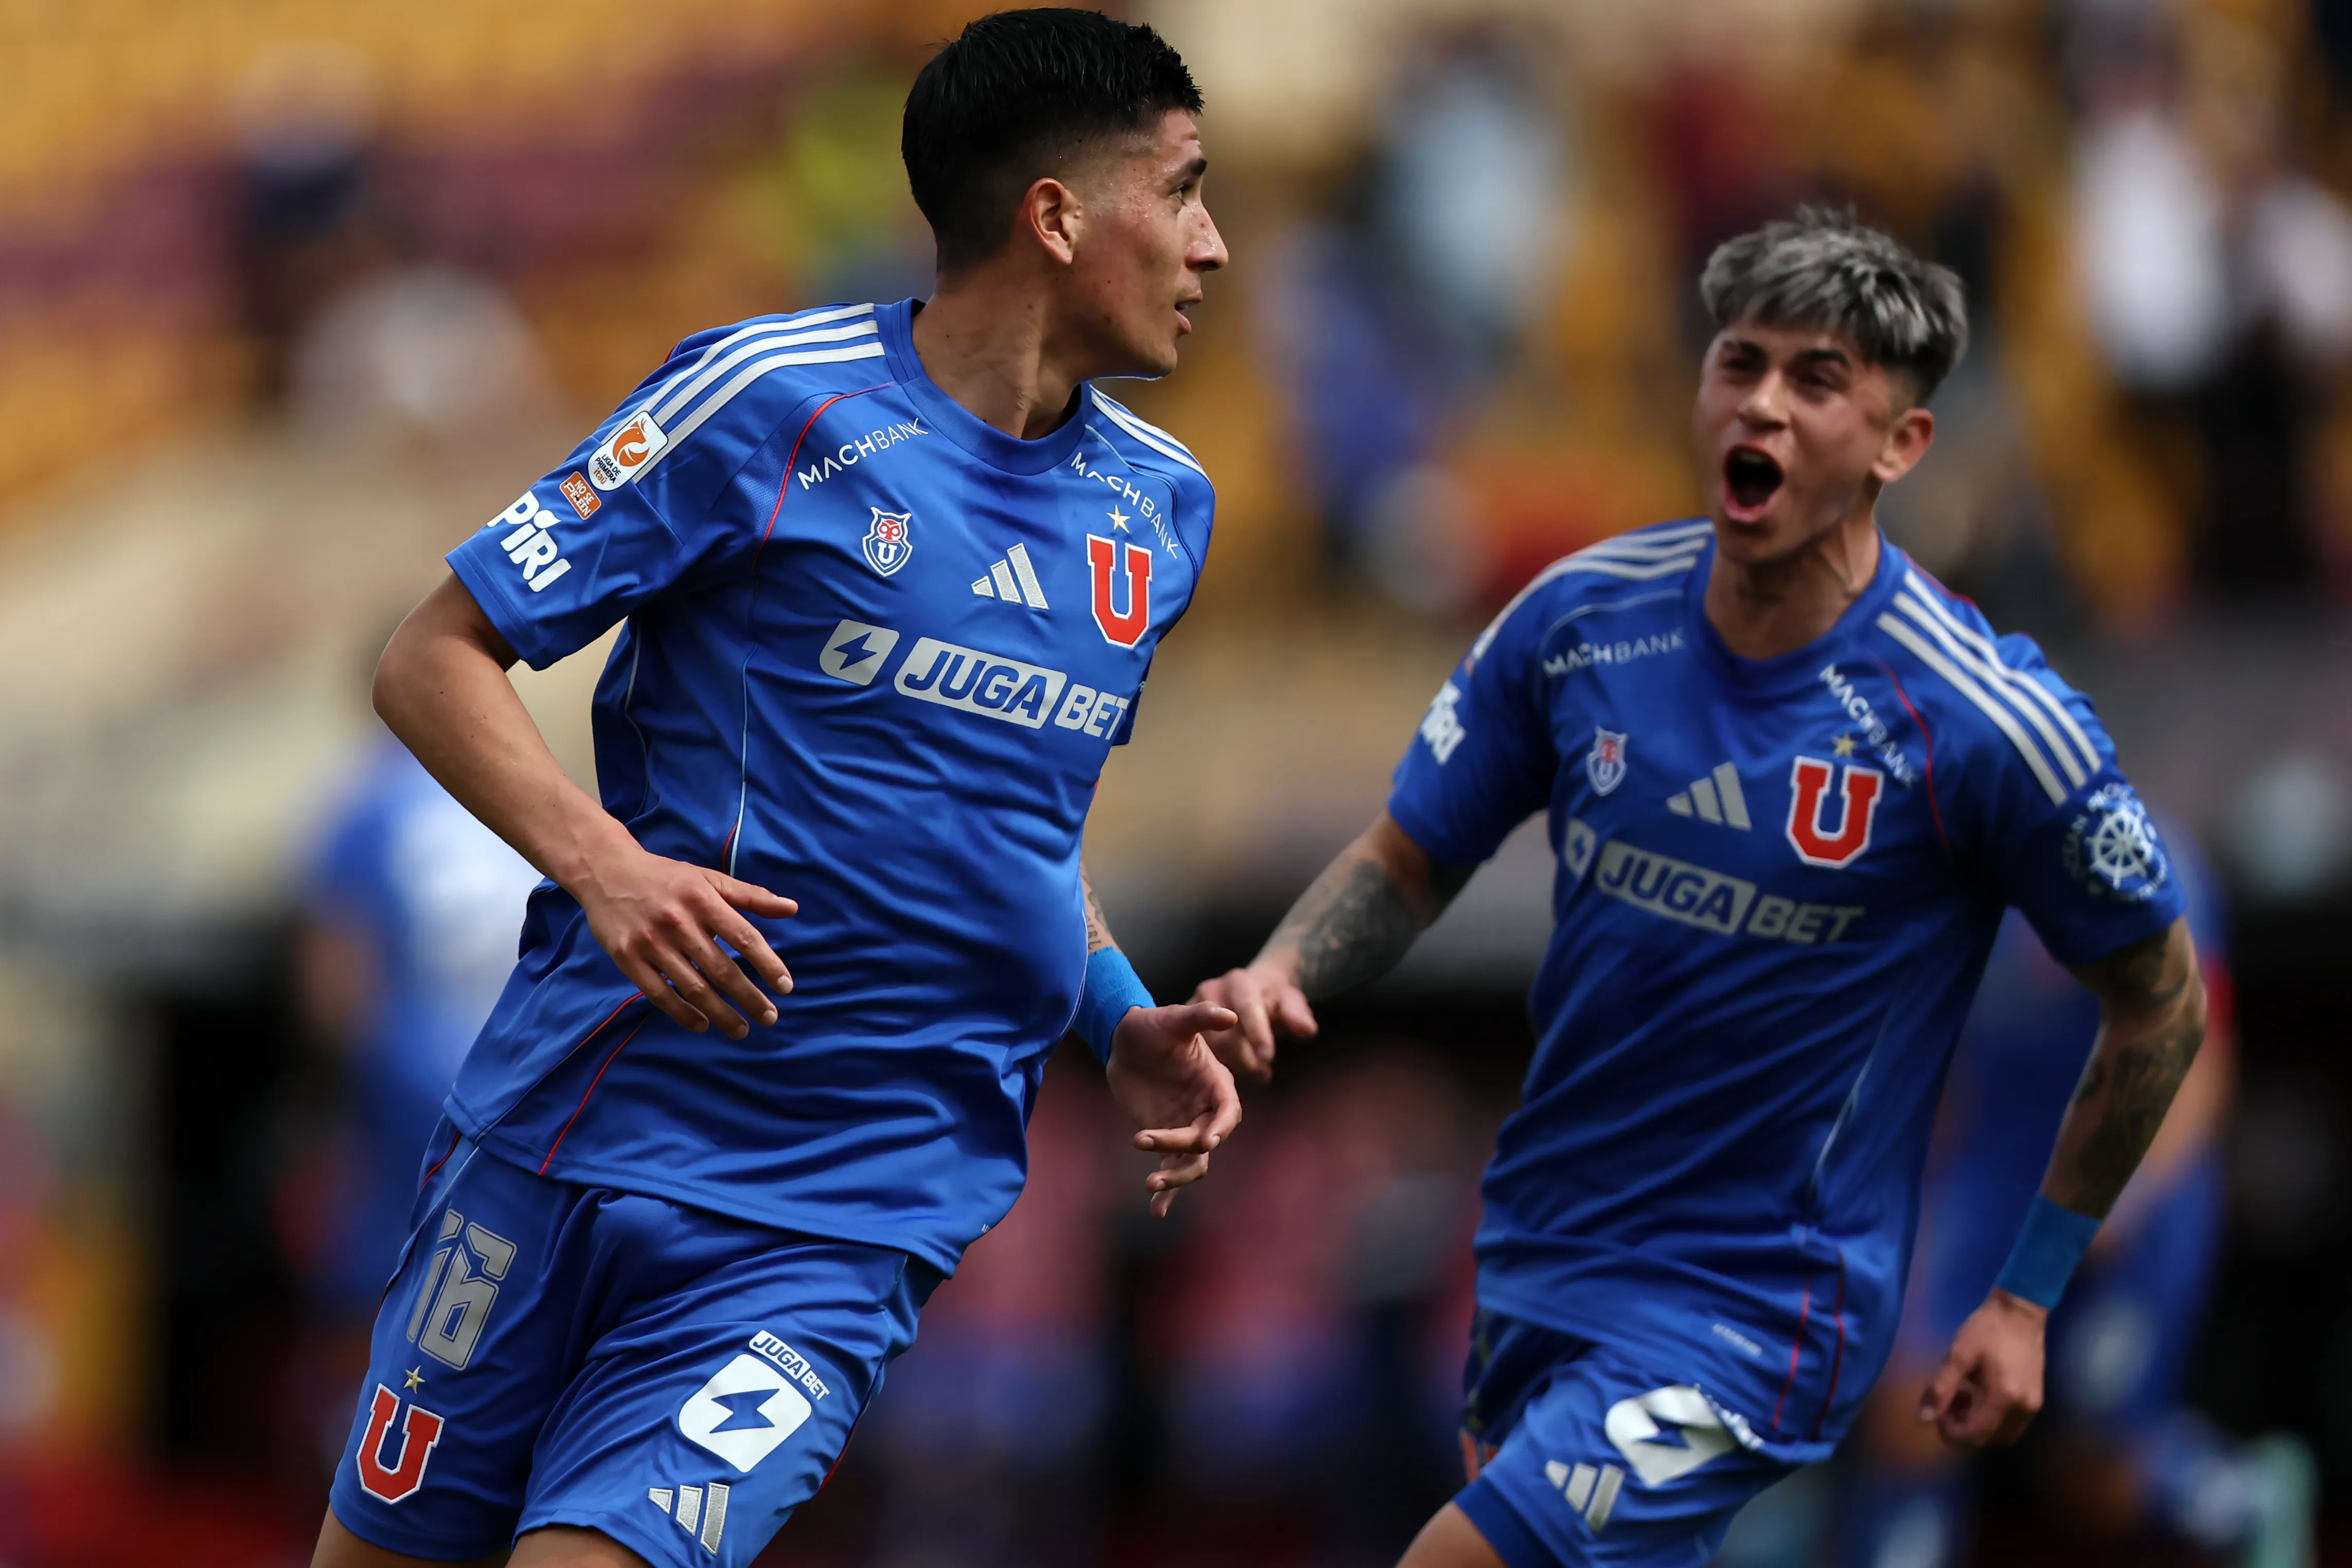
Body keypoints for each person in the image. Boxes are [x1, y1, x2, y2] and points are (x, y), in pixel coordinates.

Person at [312, 12, 1240, 1566]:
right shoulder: (767, 401)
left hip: (844, 1211)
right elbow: (432, 658)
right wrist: (605, 867)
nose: (1213, 246)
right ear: (1058, 216)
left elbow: (1016, 830)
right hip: (572, 1131)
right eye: (1187, 190)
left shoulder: (1165, 507)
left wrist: (1117, 1016)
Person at [1194, 207, 2207, 1568]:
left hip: (1758, 1305)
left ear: (1901, 445)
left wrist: (2024, 1298)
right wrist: (1275, 979)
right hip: (1541, 1259)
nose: (1762, 406)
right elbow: (1404, 860)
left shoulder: (1978, 723)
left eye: (1816, 382)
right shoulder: (1576, 624)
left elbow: (2160, 1004)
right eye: (1738, 364)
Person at [1845, 821, 2313, 1568]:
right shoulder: (1959, 880)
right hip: (1991, 1186)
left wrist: (2127, 1196)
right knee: (1912, 1410)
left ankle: (2242, 1495)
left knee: (2092, 1472)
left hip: (2131, 1188)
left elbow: (2202, 1059)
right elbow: (1944, 1073)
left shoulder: (2151, 862)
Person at [290, 728, 543, 1446]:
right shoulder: (527, 796)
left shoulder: (369, 805)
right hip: (520, 1091)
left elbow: (336, 986)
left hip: (409, 1092)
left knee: (368, 1312)